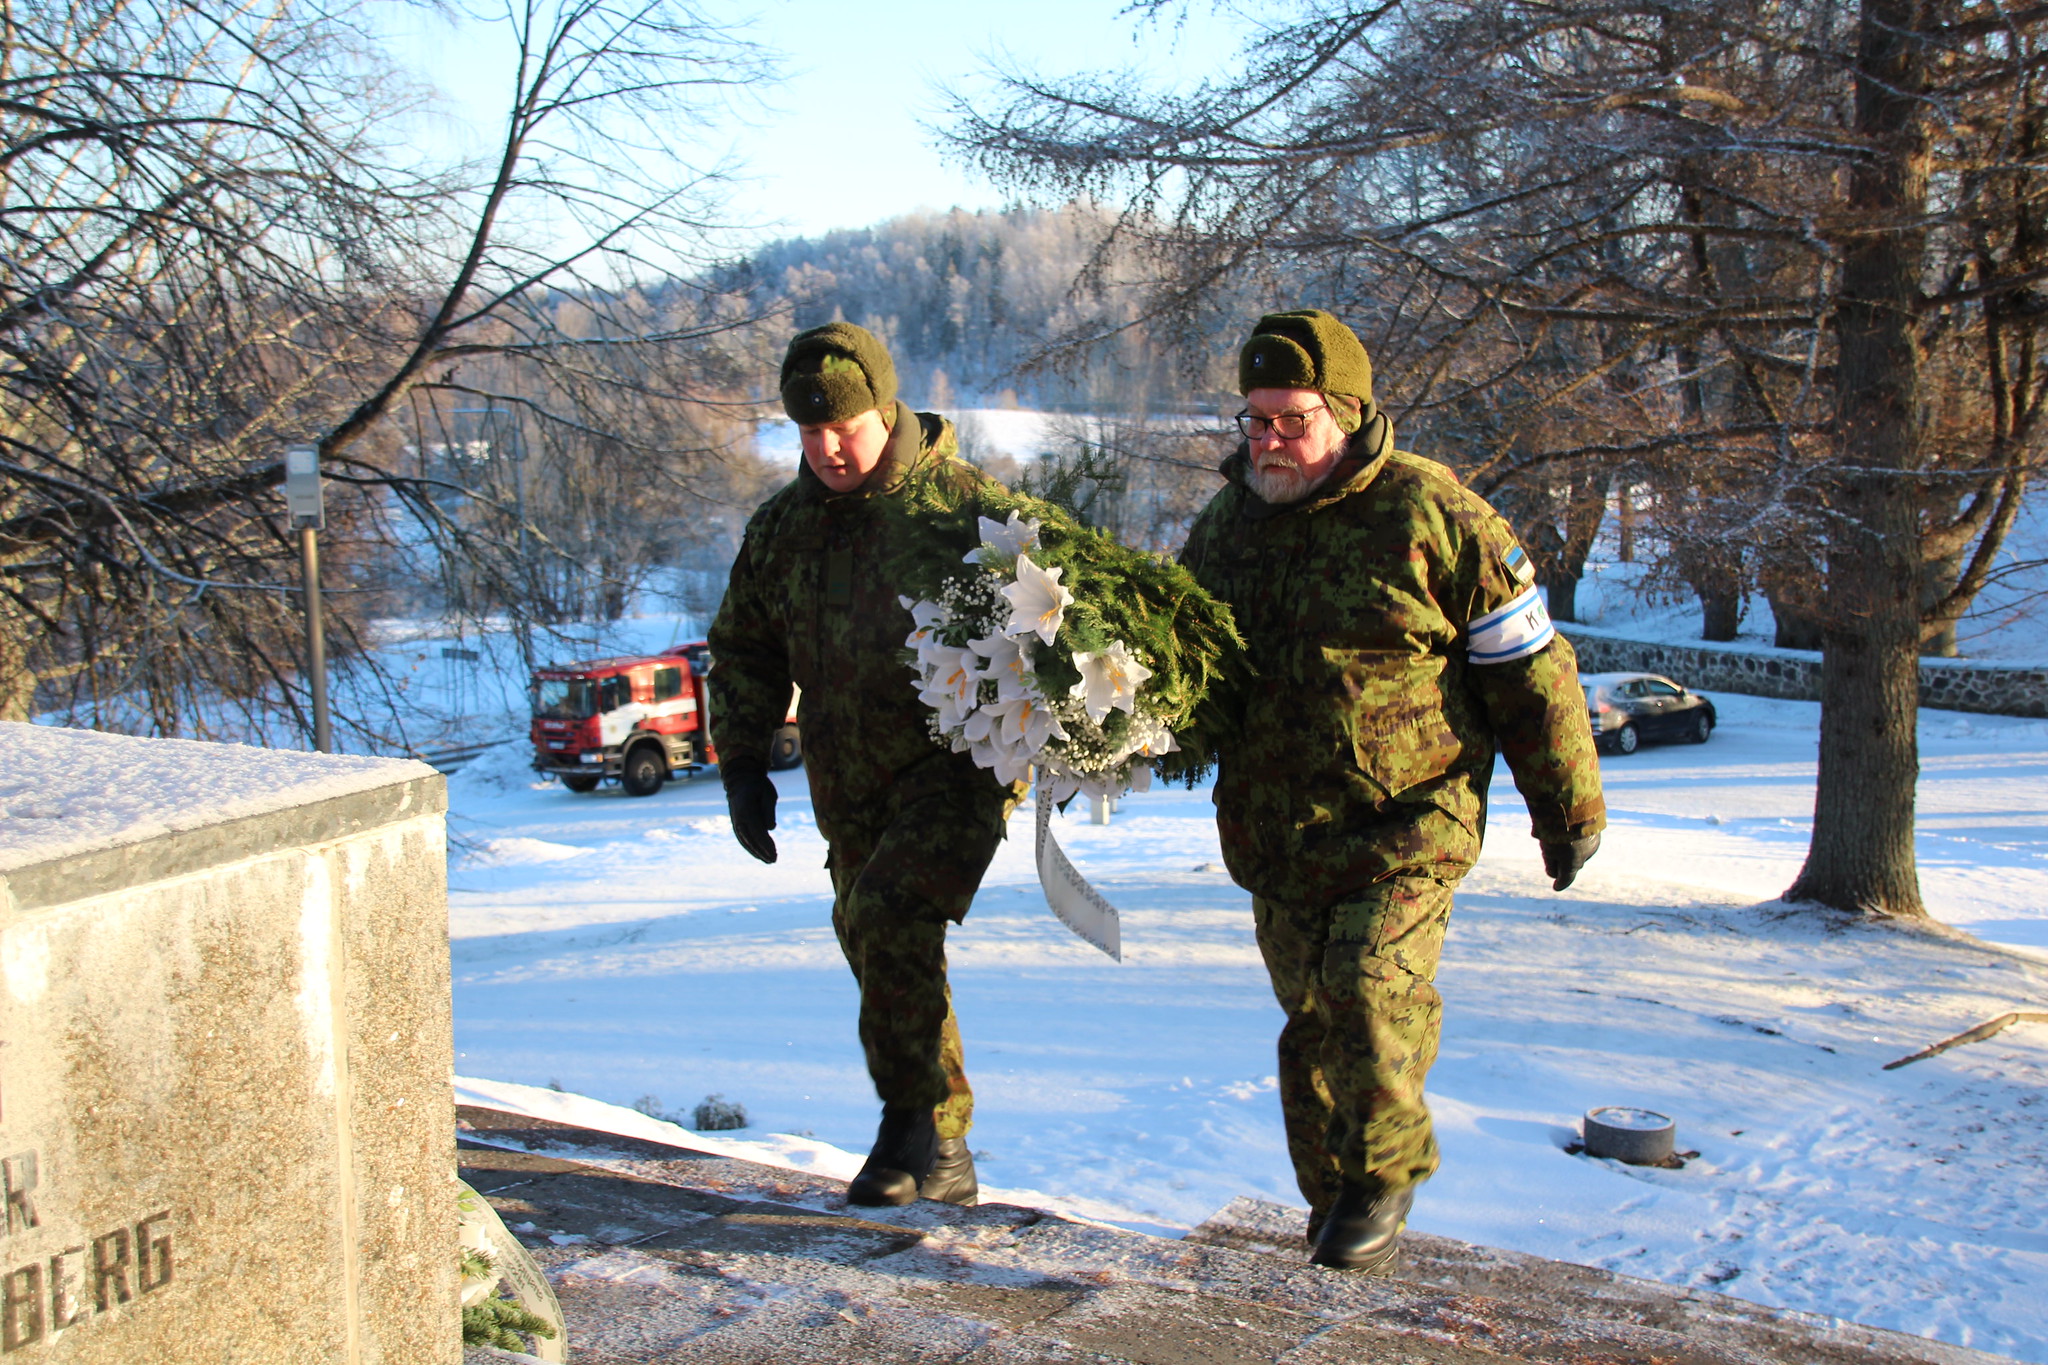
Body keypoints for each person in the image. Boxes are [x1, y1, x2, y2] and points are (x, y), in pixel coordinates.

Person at [1177, 309, 1606, 1272]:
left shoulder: (1436, 516)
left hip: (1410, 818)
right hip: (1277, 830)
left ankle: (1385, 1172)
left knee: (1367, 989)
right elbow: (1184, 667)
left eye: (1291, 419)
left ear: (1350, 410)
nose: (1268, 440)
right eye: (1254, 420)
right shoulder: (1228, 526)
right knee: (1314, 1026)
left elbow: (1533, 670)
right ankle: (1335, 1203)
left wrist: (1567, 808)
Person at [707, 323, 1022, 1207]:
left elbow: (1043, 639)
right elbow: (744, 649)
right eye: (809, 433)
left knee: (890, 913)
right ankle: (944, 1146)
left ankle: (907, 1125)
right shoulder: (784, 528)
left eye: (843, 426)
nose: (828, 448)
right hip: (846, 786)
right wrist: (742, 762)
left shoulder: (961, 509)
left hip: (958, 770)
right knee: (881, 941)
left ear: (884, 410)